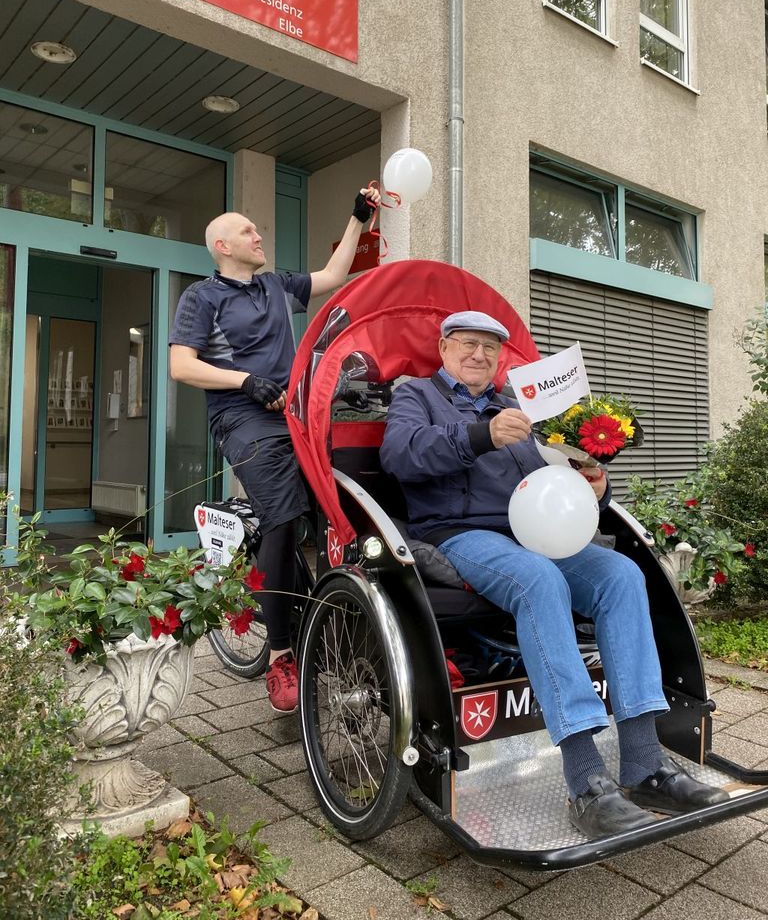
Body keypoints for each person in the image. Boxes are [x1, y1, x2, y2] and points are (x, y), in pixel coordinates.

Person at [379, 310, 728, 838]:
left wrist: (593, 485)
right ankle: (586, 779)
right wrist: (480, 435)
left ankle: (643, 765)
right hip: (460, 532)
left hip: (536, 531)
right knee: (539, 579)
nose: (479, 355)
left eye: (490, 348)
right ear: (444, 347)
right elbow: (400, 455)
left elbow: (556, 478)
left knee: (621, 575)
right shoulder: (417, 397)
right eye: (468, 344)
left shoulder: (518, 408)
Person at [169, 186, 381, 714]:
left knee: (340, 501)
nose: (257, 235)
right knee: (283, 519)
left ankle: (335, 607)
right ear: (222, 245)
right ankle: (283, 653)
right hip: (242, 420)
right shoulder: (203, 297)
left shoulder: (275, 286)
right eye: (246, 230)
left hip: (295, 415)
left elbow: (333, 277)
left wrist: (358, 217)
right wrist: (243, 382)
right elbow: (181, 366)